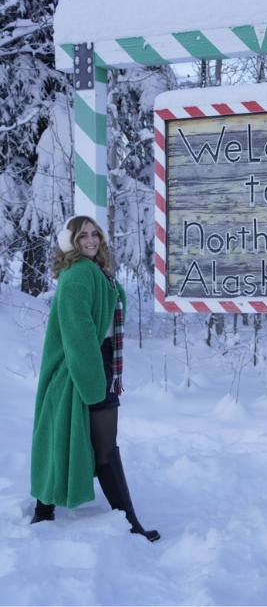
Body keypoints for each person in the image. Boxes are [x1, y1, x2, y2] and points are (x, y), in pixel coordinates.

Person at [30, 216, 160, 541]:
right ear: (70, 243)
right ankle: (131, 525)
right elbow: (79, 336)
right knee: (104, 447)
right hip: (86, 367)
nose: (91, 240)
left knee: (66, 435)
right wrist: (93, 387)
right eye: (82, 236)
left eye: (94, 234)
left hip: (94, 363)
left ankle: (43, 510)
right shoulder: (78, 277)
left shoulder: (94, 271)